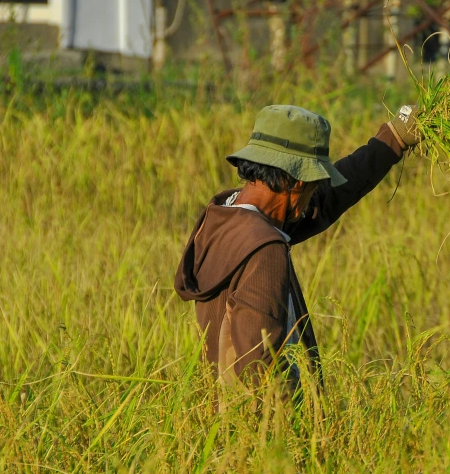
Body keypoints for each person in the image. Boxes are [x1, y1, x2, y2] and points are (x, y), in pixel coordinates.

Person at [174, 104, 420, 398]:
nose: (316, 194)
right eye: (315, 185)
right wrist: (305, 430)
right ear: (300, 181)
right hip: (258, 432)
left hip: (220, 417)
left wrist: (395, 137)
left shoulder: (224, 217)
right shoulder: (264, 250)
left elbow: (327, 200)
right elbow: (260, 365)